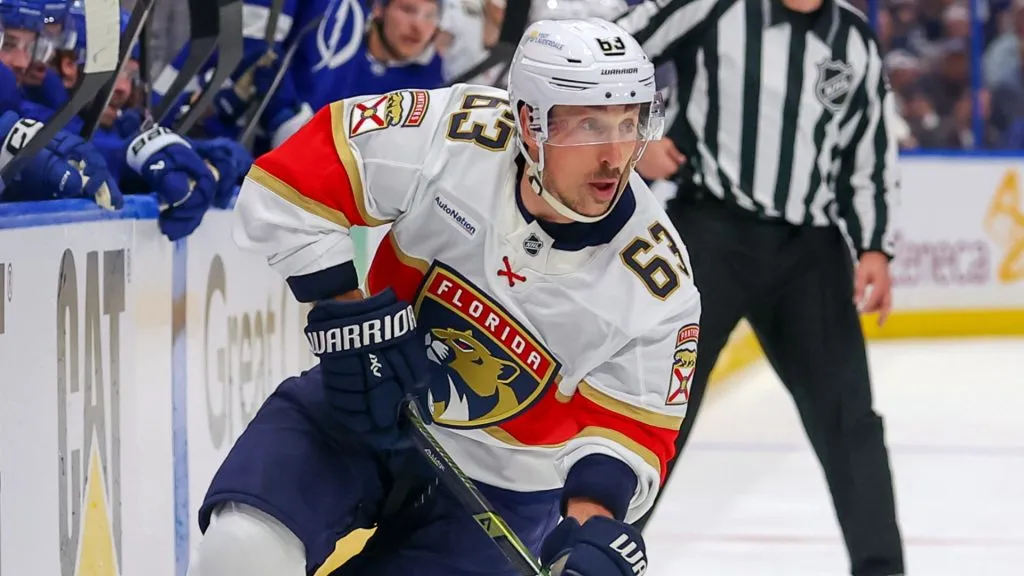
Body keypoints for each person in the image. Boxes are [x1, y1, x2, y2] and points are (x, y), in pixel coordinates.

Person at [187, 17, 699, 576]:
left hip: (502, 488)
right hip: (364, 403)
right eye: (590, 125)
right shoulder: (454, 132)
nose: (615, 156)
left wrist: (590, 528)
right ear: (530, 123)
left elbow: (634, 427)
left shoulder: (658, 281)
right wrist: (350, 318)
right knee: (241, 551)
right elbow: (291, 181)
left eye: (629, 123)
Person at [615, 1, 905, 575]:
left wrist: (875, 246)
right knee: (657, 406)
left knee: (849, 419)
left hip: (810, 250)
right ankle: (597, 553)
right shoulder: (716, 6)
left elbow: (869, 150)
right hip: (710, 233)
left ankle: (881, 569)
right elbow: (613, 54)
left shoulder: (853, 39)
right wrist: (633, 137)